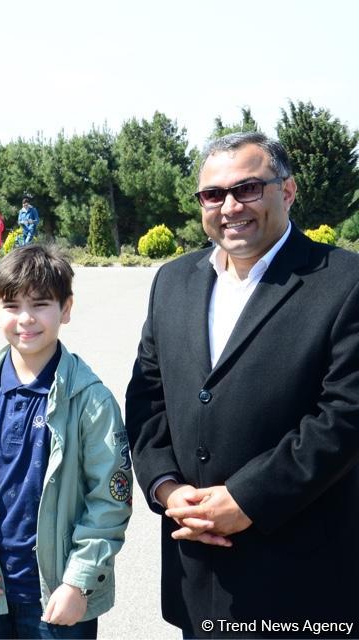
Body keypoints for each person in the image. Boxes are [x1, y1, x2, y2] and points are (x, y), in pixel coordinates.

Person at [125, 132, 359, 637]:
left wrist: (247, 499)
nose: (230, 207)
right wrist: (166, 488)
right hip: (198, 575)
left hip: (301, 580)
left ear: (288, 192)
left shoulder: (344, 281)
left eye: (248, 189)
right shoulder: (173, 281)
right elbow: (147, 399)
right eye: (213, 194)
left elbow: (344, 416)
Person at [0, 245, 131, 640]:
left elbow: (110, 500)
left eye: (40, 304)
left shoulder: (90, 400)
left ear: (66, 308)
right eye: (11, 306)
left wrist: (79, 581)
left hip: (60, 596)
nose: (25, 319)